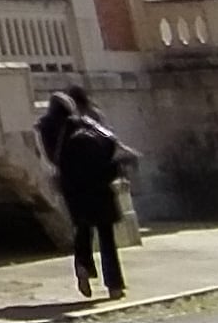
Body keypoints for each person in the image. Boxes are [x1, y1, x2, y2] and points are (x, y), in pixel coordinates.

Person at [51, 89, 136, 300]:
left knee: (82, 232)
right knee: (107, 240)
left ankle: (82, 265)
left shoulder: (59, 136)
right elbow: (109, 159)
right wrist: (119, 167)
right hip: (100, 193)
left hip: (76, 195)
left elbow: (58, 166)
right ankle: (114, 285)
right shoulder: (93, 131)